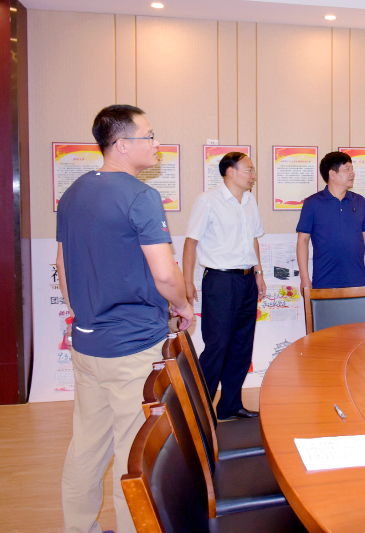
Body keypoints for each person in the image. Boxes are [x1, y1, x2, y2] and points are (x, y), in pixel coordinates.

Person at [57, 104, 193, 533]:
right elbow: (165, 274)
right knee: (135, 452)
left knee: (87, 446)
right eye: (148, 136)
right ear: (120, 144)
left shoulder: (74, 192)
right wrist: (184, 305)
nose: (156, 143)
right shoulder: (141, 196)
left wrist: (85, 312)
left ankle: (79, 528)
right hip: (133, 348)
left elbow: (62, 267)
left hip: (87, 343)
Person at [183, 152, 266, 420]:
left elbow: (253, 239)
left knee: (242, 347)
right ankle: (199, 413)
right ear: (230, 171)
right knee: (217, 346)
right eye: (248, 170)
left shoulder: (250, 200)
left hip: (247, 280)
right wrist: (187, 281)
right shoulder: (208, 200)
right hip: (220, 281)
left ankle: (230, 406)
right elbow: (191, 242)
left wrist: (259, 273)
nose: (253, 175)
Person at [297, 151, 365, 290]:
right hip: (324, 281)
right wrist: (304, 278)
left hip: (358, 280)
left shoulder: (360, 201)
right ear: (332, 174)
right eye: (347, 169)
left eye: (352, 169)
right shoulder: (312, 203)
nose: (352, 173)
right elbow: (302, 241)